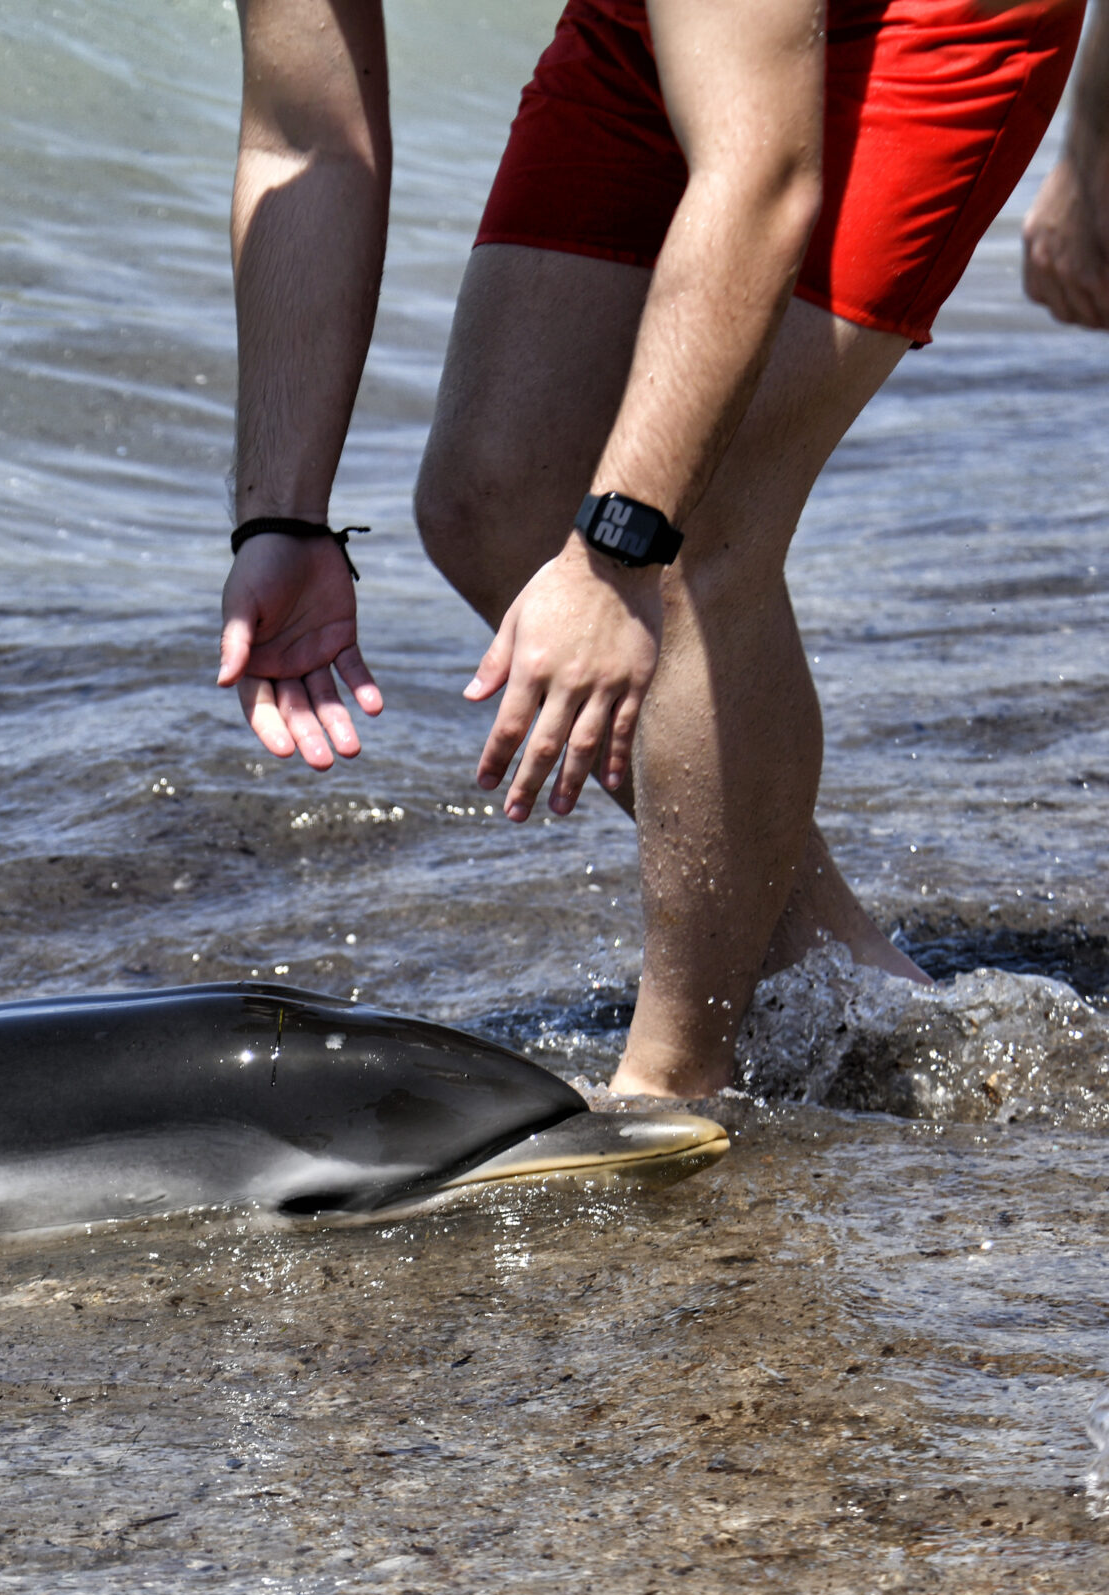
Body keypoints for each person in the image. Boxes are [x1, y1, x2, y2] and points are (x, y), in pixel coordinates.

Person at [216, 0, 1108, 1098]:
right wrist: (282, 519)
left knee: (689, 538)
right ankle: (855, 985)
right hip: (665, 25)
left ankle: (676, 1080)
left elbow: (760, 178)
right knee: (489, 498)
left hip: (930, 20)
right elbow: (305, 138)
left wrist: (614, 555)